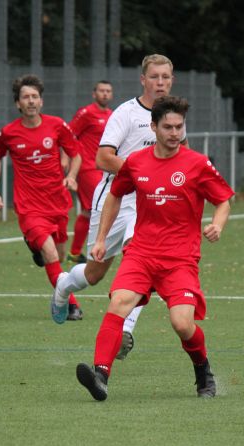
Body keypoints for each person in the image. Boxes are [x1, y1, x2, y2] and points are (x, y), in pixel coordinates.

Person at [74, 96, 233, 401]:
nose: (174, 133)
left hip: (180, 257)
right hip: (142, 252)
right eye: (168, 127)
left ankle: (203, 370)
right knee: (119, 302)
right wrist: (100, 239)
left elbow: (223, 199)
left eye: (179, 127)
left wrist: (218, 224)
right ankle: (100, 376)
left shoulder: (197, 163)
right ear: (154, 127)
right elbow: (115, 195)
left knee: (182, 323)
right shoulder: (136, 162)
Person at [52, 54, 177, 356]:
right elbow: (102, 159)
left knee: (143, 260)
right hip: (115, 199)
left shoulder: (173, 116)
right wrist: (143, 172)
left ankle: (124, 331)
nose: (161, 82)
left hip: (149, 203)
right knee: (94, 275)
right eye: (155, 77)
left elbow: (177, 156)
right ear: (143, 80)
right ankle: (63, 286)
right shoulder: (126, 113)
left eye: (166, 77)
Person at [0, 74, 84, 320]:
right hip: (29, 206)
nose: (30, 101)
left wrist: (72, 176)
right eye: (25, 97)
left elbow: (76, 155)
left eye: (34, 97)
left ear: (41, 101)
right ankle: (71, 305)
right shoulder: (8, 133)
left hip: (57, 201)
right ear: (17, 104)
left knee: (59, 257)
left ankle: (35, 247)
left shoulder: (57, 126)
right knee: (51, 255)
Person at [66, 80, 114, 263]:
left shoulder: (111, 115)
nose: (105, 94)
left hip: (104, 168)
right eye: (101, 91)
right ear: (94, 94)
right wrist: (66, 158)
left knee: (91, 210)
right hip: (87, 167)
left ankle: (76, 252)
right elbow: (69, 135)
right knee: (98, 208)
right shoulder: (86, 113)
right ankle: (89, 248)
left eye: (108, 91)